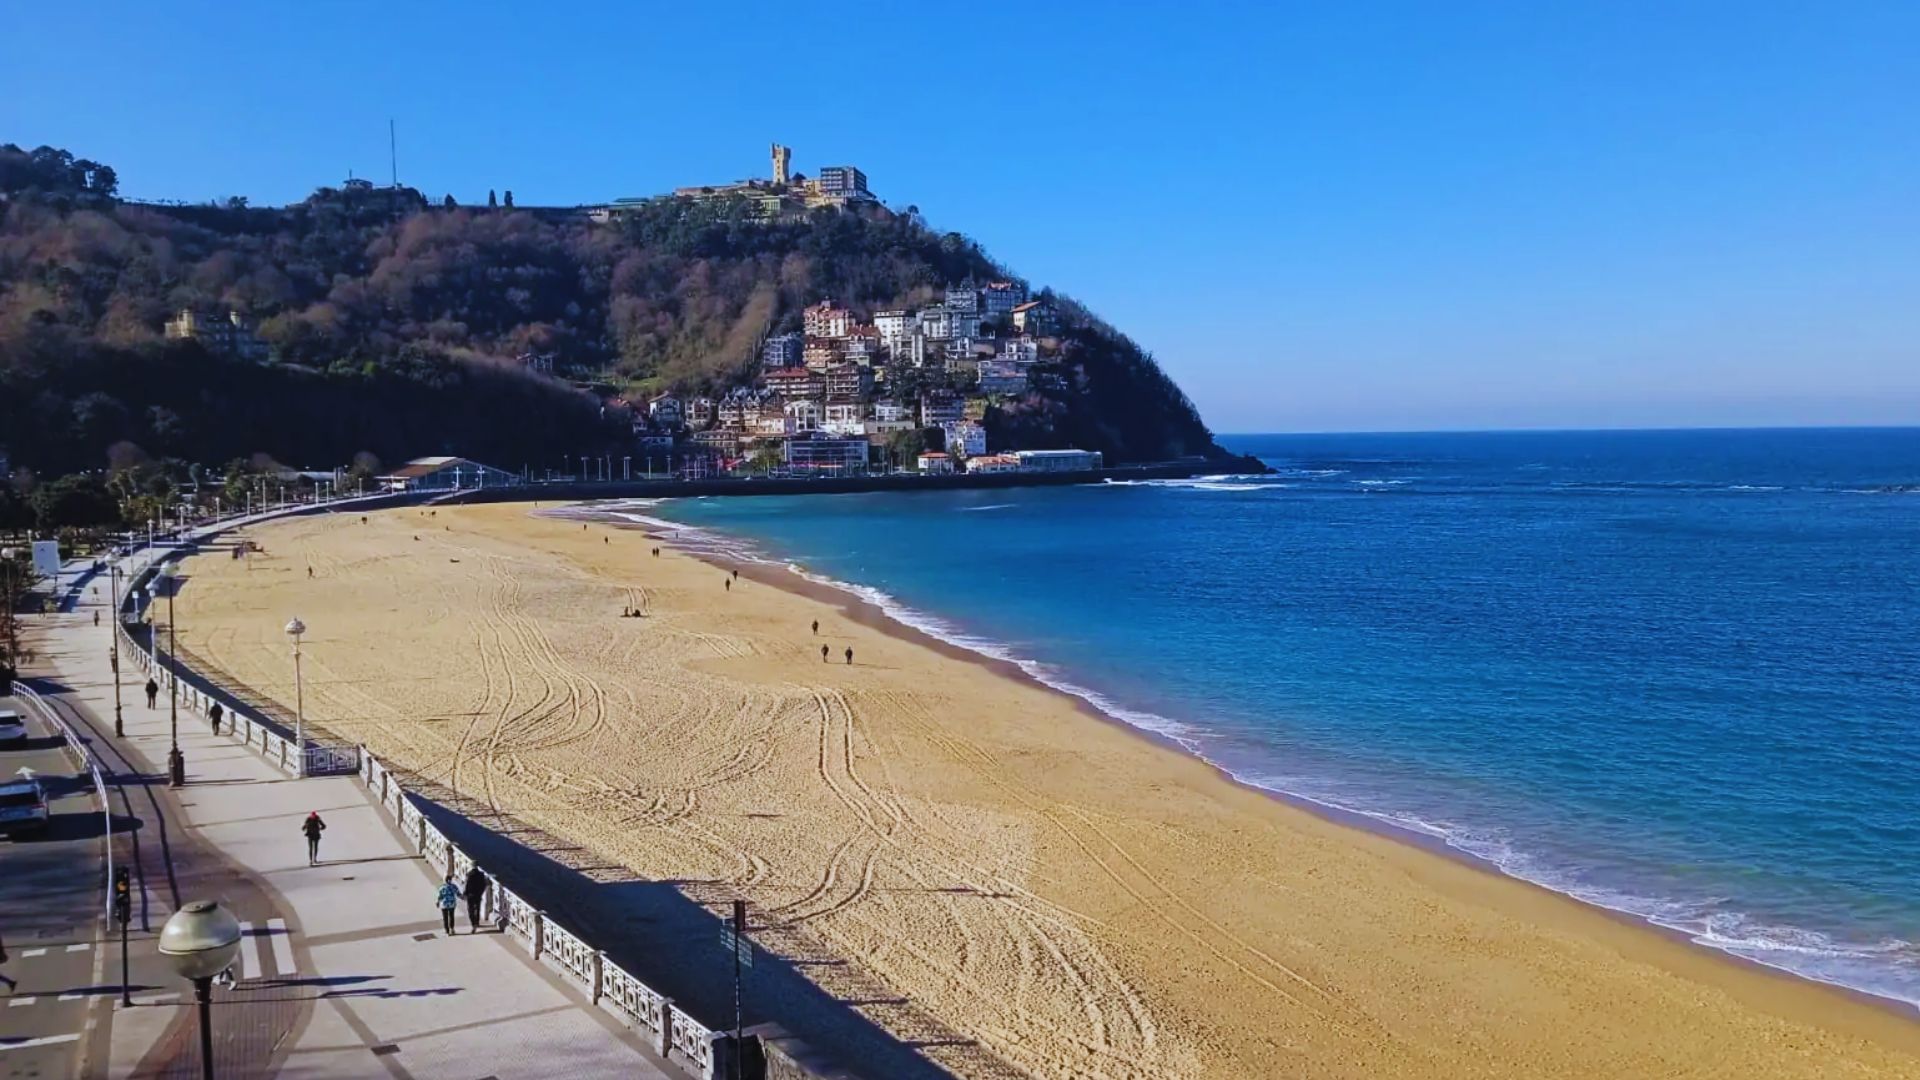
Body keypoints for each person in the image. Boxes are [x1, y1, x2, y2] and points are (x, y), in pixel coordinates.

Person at [462, 866, 491, 933]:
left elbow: (466, 885)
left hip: (470, 895)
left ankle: (473, 924)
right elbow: (484, 884)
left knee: (470, 910)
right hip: (478, 895)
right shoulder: (481, 874)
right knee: (477, 908)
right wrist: (481, 892)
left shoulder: (469, 874)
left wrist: (465, 894)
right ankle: (477, 922)